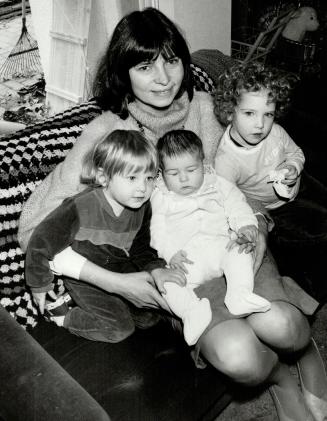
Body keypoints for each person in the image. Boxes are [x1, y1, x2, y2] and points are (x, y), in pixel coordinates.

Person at [18, 7, 326, 421]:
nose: (163, 78)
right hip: (180, 273)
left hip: (235, 241)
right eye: (145, 65)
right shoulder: (108, 133)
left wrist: (259, 230)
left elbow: (243, 181)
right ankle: (280, 379)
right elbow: (34, 226)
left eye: (172, 60)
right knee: (244, 360)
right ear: (123, 73)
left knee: (286, 329)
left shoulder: (207, 107)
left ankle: (305, 352)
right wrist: (119, 282)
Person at [25, 130, 187, 340]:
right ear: (103, 177)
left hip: (121, 266)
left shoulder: (143, 207)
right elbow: (40, 241)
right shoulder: (79, 206)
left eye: (149, 177)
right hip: (86, 280)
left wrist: (156, 270)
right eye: (132, 177)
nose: (143, 188)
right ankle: (63, 315)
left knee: (150, 318)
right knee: (119, 329)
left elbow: (141, 249)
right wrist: (39, 283)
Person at [214, 61, 327, 302]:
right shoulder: (226, 160)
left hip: (300, 182)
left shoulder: (275, 131)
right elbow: (228, 204)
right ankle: (304, 293)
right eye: (249, 113)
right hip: (276, 210)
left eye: (268, 114)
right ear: (229, 110)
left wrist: (293, 166)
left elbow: (296, 152)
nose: (260, 124)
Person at [150, 129, 270, 346]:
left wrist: (246, 226)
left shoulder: (217, 182)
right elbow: (156, 230)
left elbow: (237, 204)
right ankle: (192, 312)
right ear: (162, 172)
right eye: (173, 173)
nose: (184, 178)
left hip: (219, 246)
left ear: (202, 162)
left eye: (191, 169)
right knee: (168, 284)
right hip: (186, 259)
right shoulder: (160, 195)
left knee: (239, 250)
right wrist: (169, 253)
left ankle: (239, 295)